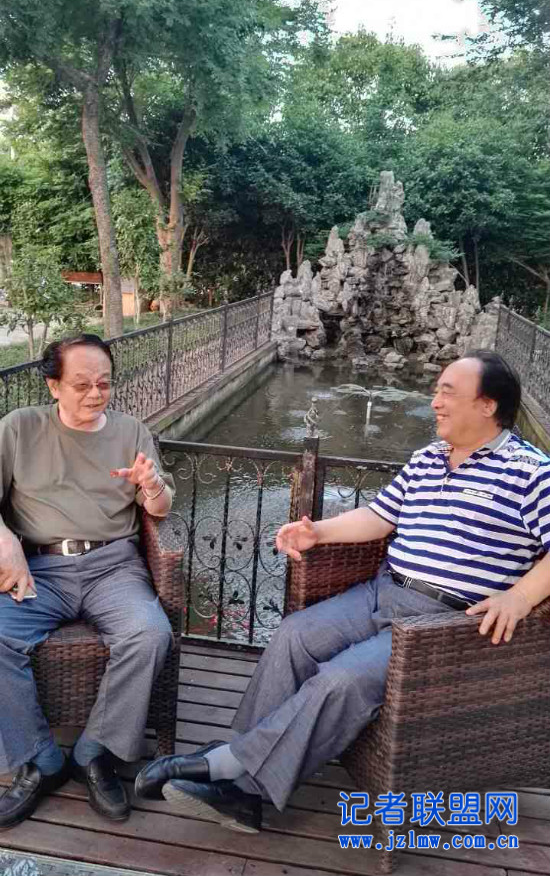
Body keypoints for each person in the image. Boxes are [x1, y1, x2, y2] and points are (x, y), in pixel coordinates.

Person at [136, 350, 550, 832]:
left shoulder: (531, 472)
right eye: (436, 390)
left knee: (342, 679)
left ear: (487, 405)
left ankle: (233, 774)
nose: (434, 401)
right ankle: (241, 768)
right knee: (294, 635)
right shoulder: (428, 458)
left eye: (447, 392)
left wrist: (520, 597)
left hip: (445, 623)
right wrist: (318, 532)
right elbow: (379, 516)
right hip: (383, 591)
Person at [0, 333, 174, 829]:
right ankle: (39, 759)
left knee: (149, 634)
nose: (96, 394)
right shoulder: (19, 428)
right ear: (54, 386)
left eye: (104, 383)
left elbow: (161, 508)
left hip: (113, 566)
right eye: (82, 385)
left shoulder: (131, 431)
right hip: (41, 568)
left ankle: (94, 751)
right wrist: (6, 541)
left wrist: (152, 487)